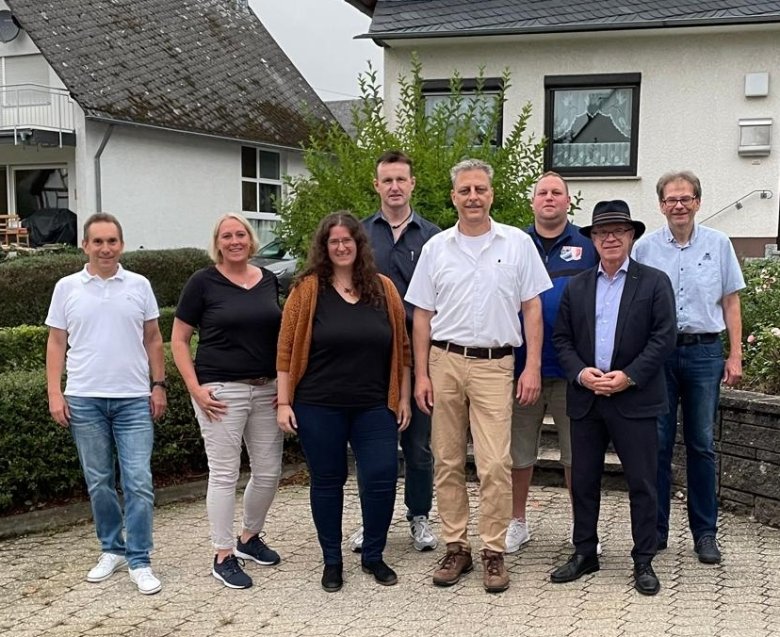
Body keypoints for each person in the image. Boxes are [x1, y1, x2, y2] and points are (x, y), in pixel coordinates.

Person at [406, 158, 551, 594]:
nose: (473, 197)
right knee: (447, 460)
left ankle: (493, 551)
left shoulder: (518, 244)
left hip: (496, 365)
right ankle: (456, 547)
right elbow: (421, 316)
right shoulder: (436, 248)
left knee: (494, 463)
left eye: (480, 190)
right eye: (465, 190)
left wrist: (532, 365)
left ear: (491, 194)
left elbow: (532, 309)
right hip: (444, 362)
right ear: (453, 196)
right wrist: (421, 377)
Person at [276, 212, 412, 593]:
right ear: (324, 246)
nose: (341, 247)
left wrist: (402, 397)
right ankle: (332, 561)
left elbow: (402, 349)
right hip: (318, 405)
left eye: (348, 240)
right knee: (327, 481)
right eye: (333, 241)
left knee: (382, 478)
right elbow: (286, 350)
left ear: (359, 245)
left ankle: (373, 555)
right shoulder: (306, 290)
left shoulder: (383, 289)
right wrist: (283, 402)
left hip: (374, 405)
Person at [551, 200, 677, 596]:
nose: (610, 237)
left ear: (631, 236)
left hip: (634, 399)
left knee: (642, 483)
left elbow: (663, 338)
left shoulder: (654, 282)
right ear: (592, 239)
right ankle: (585, 553)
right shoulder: (578, 285)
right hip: (587, 399)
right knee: (584, 481)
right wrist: (580, 373)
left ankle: (643, 561)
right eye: (602, 232)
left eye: (618, 231)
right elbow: (562, 340)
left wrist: (629, 377)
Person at [46, 212, 166, 595]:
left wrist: (159, 384)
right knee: (98, 482)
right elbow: (55, 343)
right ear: (85, 246)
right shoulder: (67, 287)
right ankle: (111, 549)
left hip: (133, 399)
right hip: (84, 398)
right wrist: (54, 392)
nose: (105, 248)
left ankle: (140, 558)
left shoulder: (139, 285)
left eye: (112, 241)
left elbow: (153, 338)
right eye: (97, 241)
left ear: (122, 245)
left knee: (138, 481)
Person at [633, 171, 745, 564]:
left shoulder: (719, 244)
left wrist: (734, 355)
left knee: (701, 444)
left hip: (703, 355)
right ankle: (656, 531)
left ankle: (705, 534)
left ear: (697, 201)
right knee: (657, 446)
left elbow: (731, 303)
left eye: (686, 198)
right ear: (661, 205)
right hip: (659, 357)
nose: (678, 205)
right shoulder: (644, 249)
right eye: (671, 199)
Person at [171, 213, 283, 590]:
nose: (235, 241)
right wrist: (195, 388)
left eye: (241, 235)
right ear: (217, 243)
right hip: (220, 392)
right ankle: (223, 555)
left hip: (266, 389)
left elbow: (278, 338)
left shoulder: (268, 280)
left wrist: (284, 385)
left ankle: (249, 538)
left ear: (250, 241)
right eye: (227, 236)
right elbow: (179, 339)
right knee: (224, 474)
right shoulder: (203, 282)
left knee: (268, 472)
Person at [506, 171, 598, 553]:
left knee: (575, 453)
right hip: (521, 366)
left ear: (567, 202)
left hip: (572, 369)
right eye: (542, 192)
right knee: (518, 450)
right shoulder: (513, 243)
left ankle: (581, 528)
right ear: (533, 201)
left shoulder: (587, 245)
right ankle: (517, 522)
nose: (549, 198)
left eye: (556, 192)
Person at [357, 150, 441, 554]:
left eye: (400, 180)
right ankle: (371, 520)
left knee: (419, 445)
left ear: (412, 184)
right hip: (369, 356)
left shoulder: (434, 237)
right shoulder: (358, 235)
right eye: (386, 180)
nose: (394, 187)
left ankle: (419, 516)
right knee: (371, 444)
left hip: (421, 351)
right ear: (376, 185)